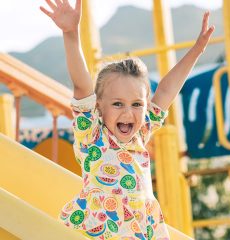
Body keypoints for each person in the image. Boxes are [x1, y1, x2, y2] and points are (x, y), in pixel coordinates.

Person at [40, 0, 214, 239]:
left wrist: (197, 50)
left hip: (140, 231)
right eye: (117, 103)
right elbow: (81, 84)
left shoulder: (141, 133)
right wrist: (71, 34)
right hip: (102, 232)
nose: (128, 113)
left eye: (136, 104)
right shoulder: (93, 134)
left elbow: (164, 92)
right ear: (99, 106)